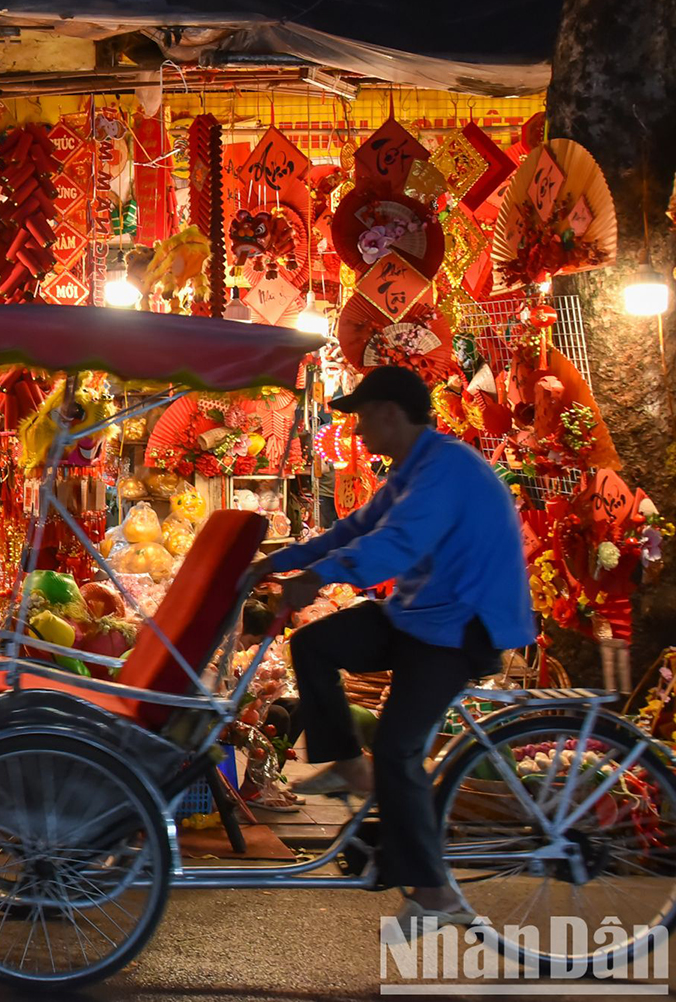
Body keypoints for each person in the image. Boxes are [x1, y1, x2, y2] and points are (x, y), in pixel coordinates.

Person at [246, 365, 531, 933]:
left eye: (362, 417)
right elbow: (355, 527)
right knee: (315, 643)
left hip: (459, 627)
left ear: (391, 415)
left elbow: (396, 545)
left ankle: (435, 891)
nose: (356, 431)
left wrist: (317, 577)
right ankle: (350, 767)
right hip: (419, 617)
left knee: (400, 752)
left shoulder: (446, 471)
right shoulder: (411, 470)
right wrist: (275, 562)